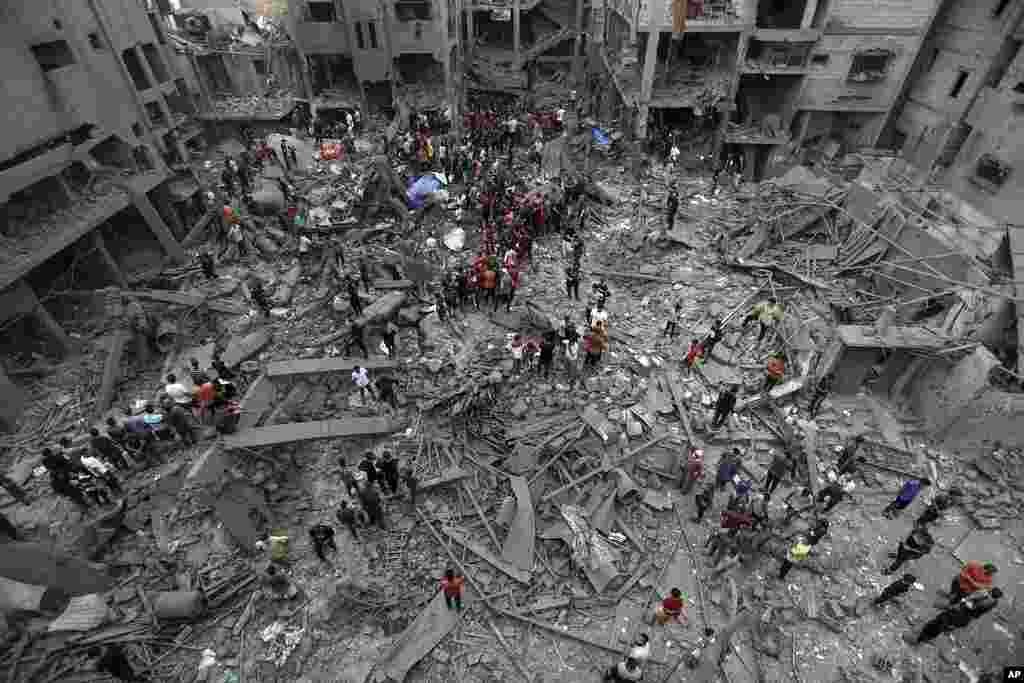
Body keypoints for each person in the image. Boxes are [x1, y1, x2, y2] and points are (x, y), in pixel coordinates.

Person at [915, 588, 1002, 645]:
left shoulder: (983, 598)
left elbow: (970, 601)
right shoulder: (993, 603)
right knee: (940, 627)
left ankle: (920, 638)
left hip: (956, 614)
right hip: (963, 617)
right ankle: (926, 638)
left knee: (936, 623)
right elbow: (976, 613)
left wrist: (964, 602)